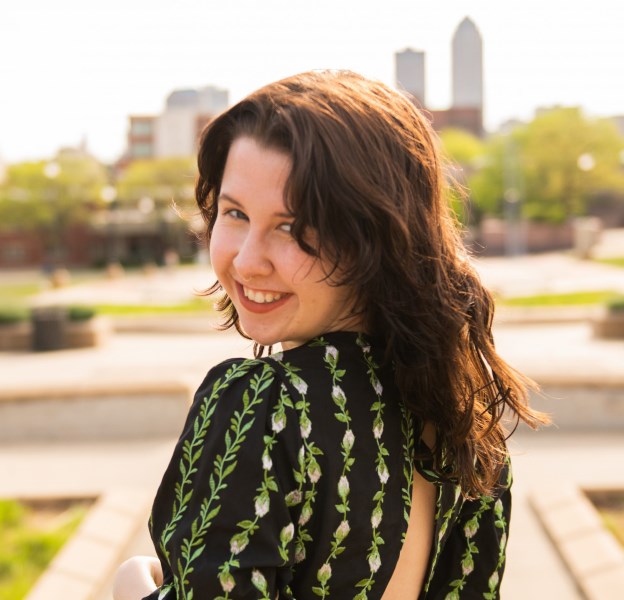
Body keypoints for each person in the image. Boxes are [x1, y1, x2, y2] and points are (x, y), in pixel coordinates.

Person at [113, 70, 547, 600]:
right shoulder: (469, 421)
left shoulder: (264, 405)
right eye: (234, 213)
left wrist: (131, 586)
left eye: (293, 227)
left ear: (374, 236)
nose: (247, 260)